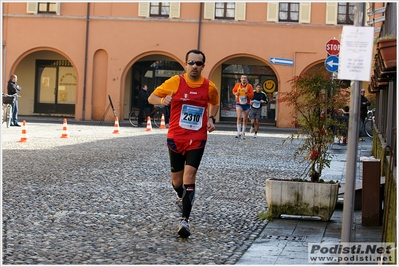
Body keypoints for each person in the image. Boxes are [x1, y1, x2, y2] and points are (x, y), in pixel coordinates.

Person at [148, 49, 219, 238]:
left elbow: (214, 102)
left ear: (203, 66)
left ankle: (185, 221)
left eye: (198, 63)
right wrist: (163, 100)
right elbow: (151, 97)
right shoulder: (174, 82)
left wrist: (211, 118)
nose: (194, 66)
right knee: (176, 181)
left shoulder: (209, 86)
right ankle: (182, 197)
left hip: (197, 138)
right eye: (191, 63)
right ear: (185, 64)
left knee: (190, 176)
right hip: (175, 137)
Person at [232, 75, 254, 139]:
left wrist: (246, 92)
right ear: (240, 79)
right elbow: (233, 91)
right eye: (242, 78)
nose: (243, 79)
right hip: (239, 103)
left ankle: (243, 132)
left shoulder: (249, 86)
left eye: (245, 78)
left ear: (247, 79)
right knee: (239, 117)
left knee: (245, 119)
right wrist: (236, 93)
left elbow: (252, 96)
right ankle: (238, 132)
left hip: (247, 104)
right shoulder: (237, 85)